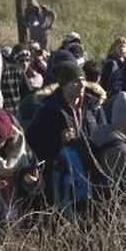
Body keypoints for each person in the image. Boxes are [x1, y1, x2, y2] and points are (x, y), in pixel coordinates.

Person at [26, 62, 104, 209]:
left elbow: (103, 131)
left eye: (83, 80)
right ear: (63, 85)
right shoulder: (49, 110)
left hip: (92, 176)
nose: (81, 84)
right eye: (75, 81)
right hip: (62, 180)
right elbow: (31, 142)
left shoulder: (93, 106)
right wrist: (58, 140)